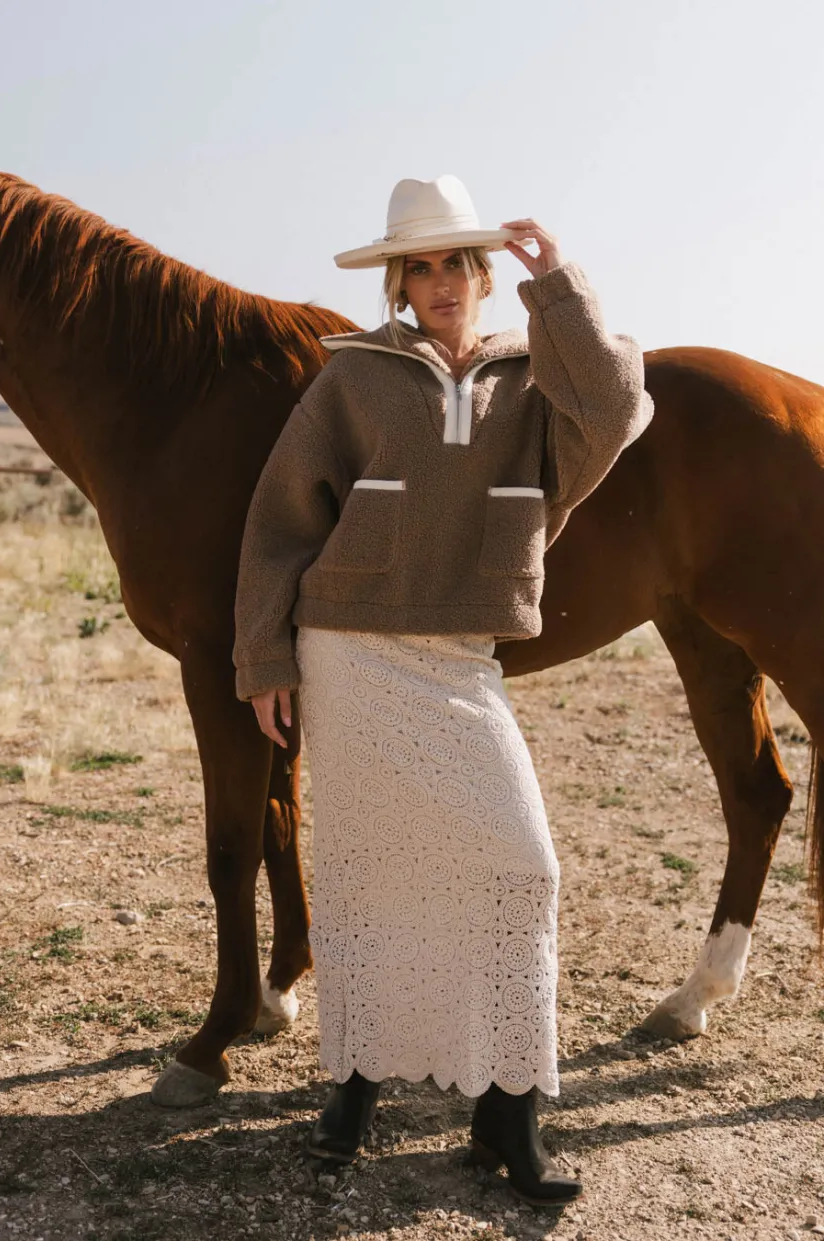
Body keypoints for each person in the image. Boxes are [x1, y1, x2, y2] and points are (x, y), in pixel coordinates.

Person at [232, 174, 654, 1206]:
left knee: (522, 869)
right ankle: (353, 1093)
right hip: (351, 652)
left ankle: (505, 1113)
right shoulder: (354, 378)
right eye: (416, 267)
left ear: (482, 271)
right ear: (399, 283)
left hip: (460, 659)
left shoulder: (534, 379)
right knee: (372, 881)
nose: (437, 282)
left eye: (453, 262)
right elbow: (282, 517)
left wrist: (557, 286)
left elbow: (619, 410)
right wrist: (266, 657)